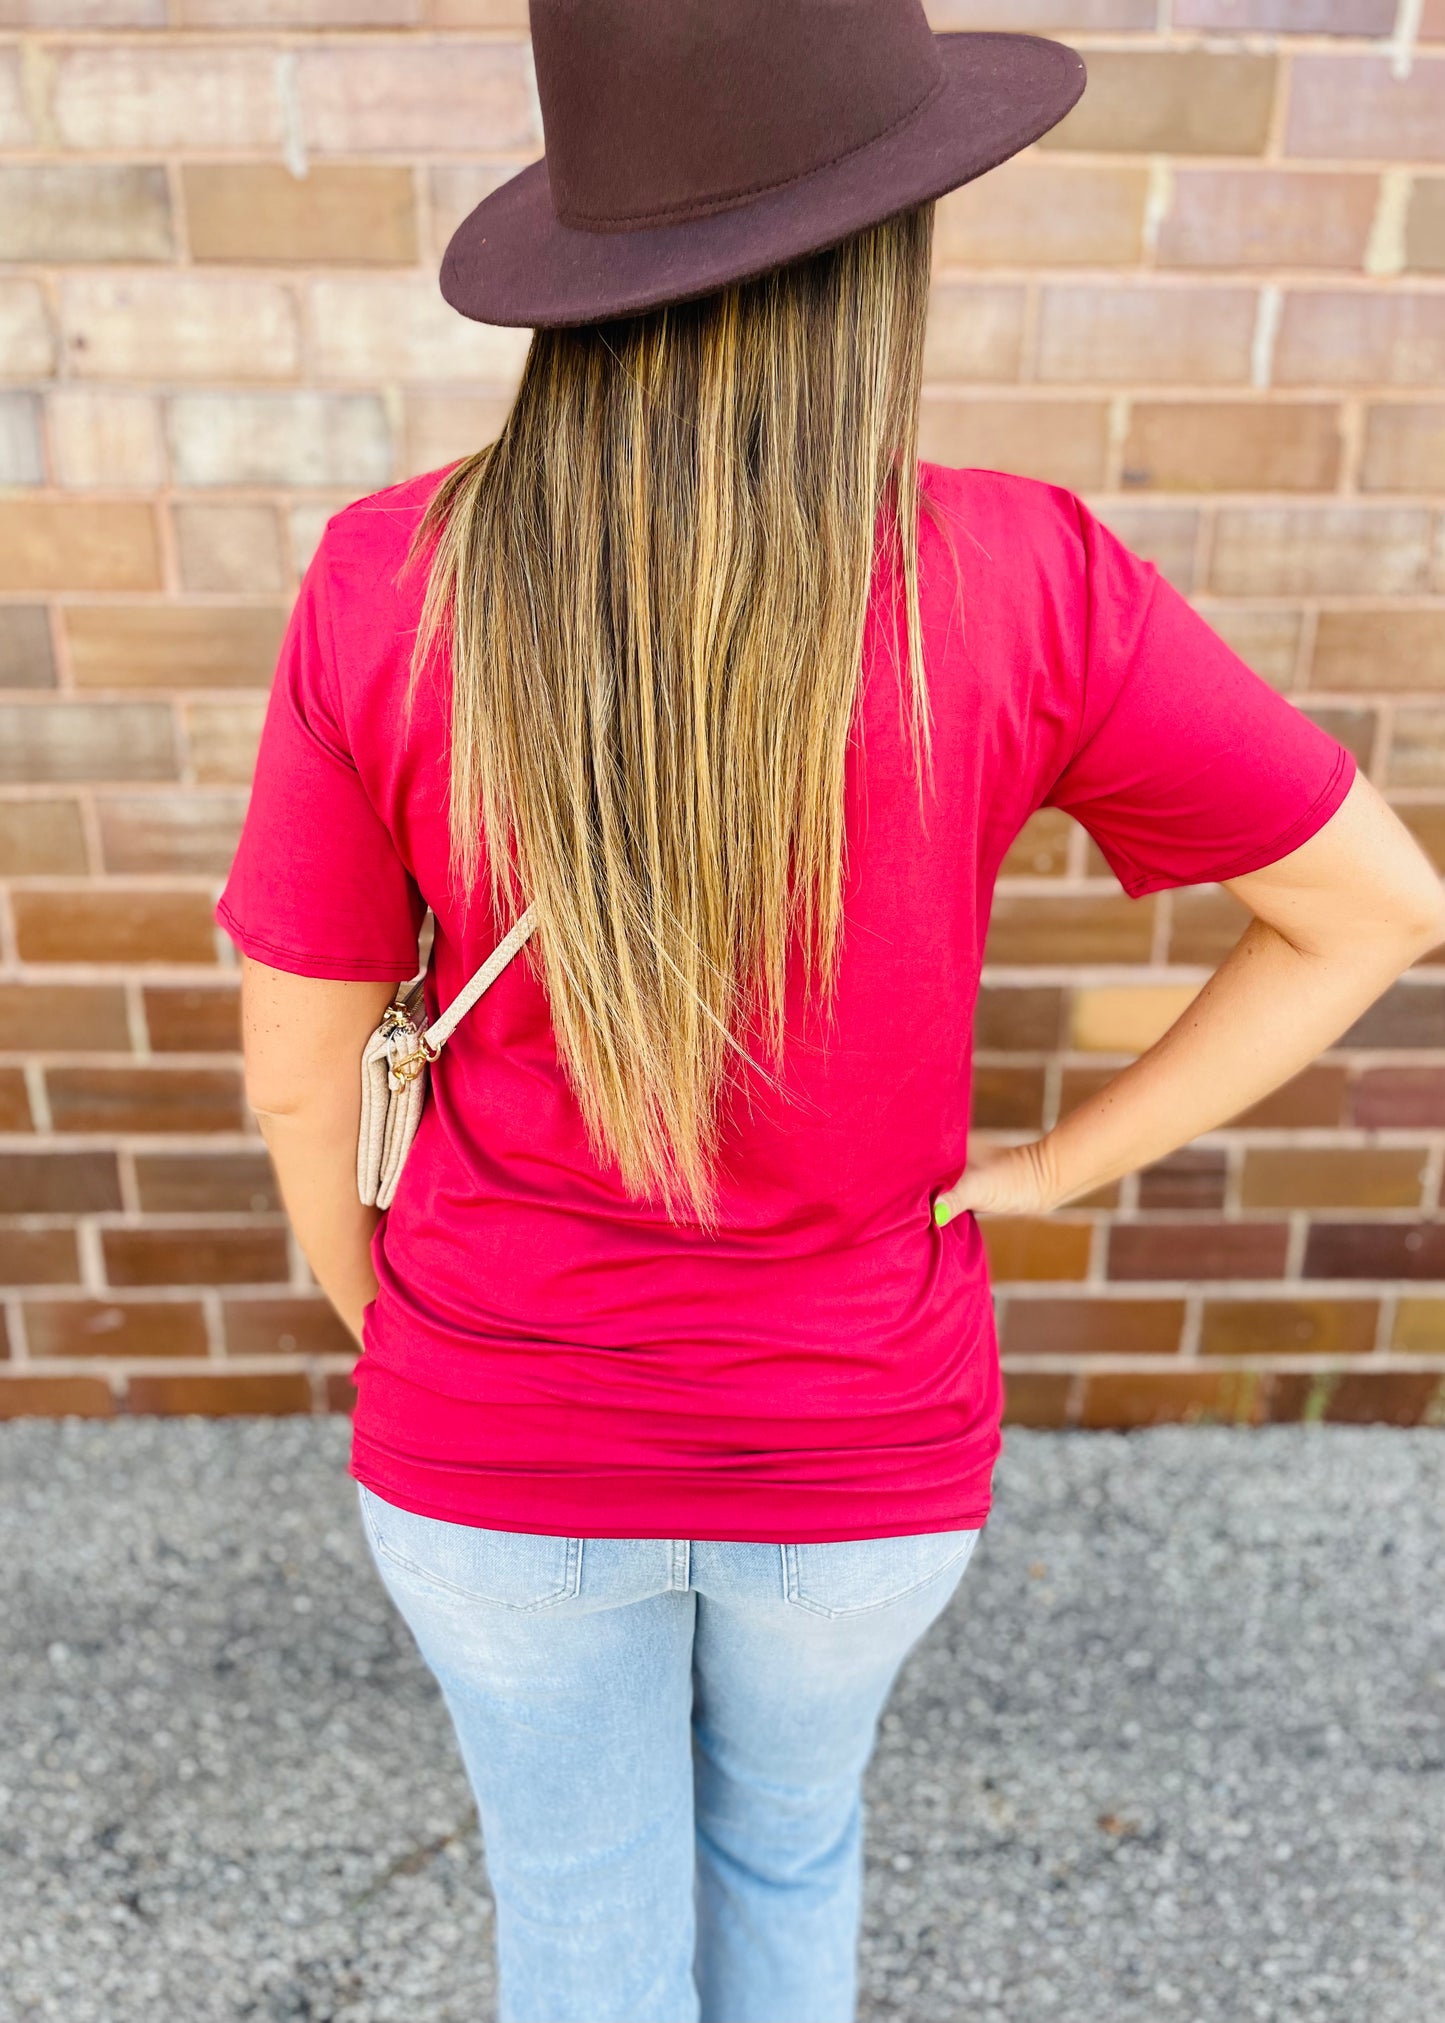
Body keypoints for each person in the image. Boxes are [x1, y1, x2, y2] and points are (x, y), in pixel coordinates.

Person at [218, 5, 1445, 2020]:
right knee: (788, 1859)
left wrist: (401, 1313)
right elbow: (1374, 907)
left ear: (585, 265)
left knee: (582, 1927)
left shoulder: (388, 583)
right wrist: (1059, 1165)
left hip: (492, 1431)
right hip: (860, 1440)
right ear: (892, 246)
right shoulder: (1028, 582)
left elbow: (298, 1058)